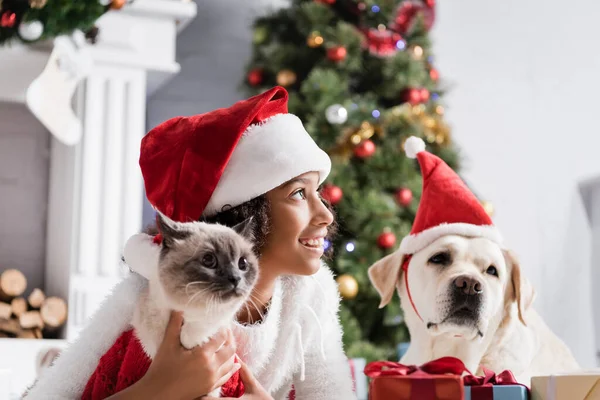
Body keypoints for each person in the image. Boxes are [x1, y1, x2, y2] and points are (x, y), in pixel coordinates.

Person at [24, 86, 356, 400]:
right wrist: (157, 389)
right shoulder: (152, 298)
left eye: (319, 192)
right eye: (299, 193)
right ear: (247, 213)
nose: (326, 215)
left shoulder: (312, 295)